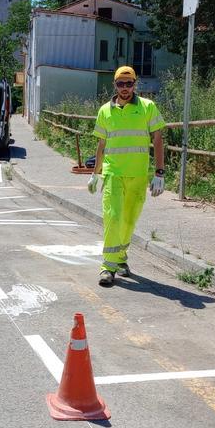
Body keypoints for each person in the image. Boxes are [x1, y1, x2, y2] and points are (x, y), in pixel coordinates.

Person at [88, 66, 166, 287]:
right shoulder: (105, 110)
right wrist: (96, 173)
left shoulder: (147, 107)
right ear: (115, 85)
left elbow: (158, 139)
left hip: (138, 175)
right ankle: (108, 267)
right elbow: (101, 144)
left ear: (135, 84)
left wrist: (159, 172)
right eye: (120, 84)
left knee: (129, 219)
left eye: (128, 83)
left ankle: (121, 258)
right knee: (112, 216)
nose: (125, 88)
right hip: (113, 174)